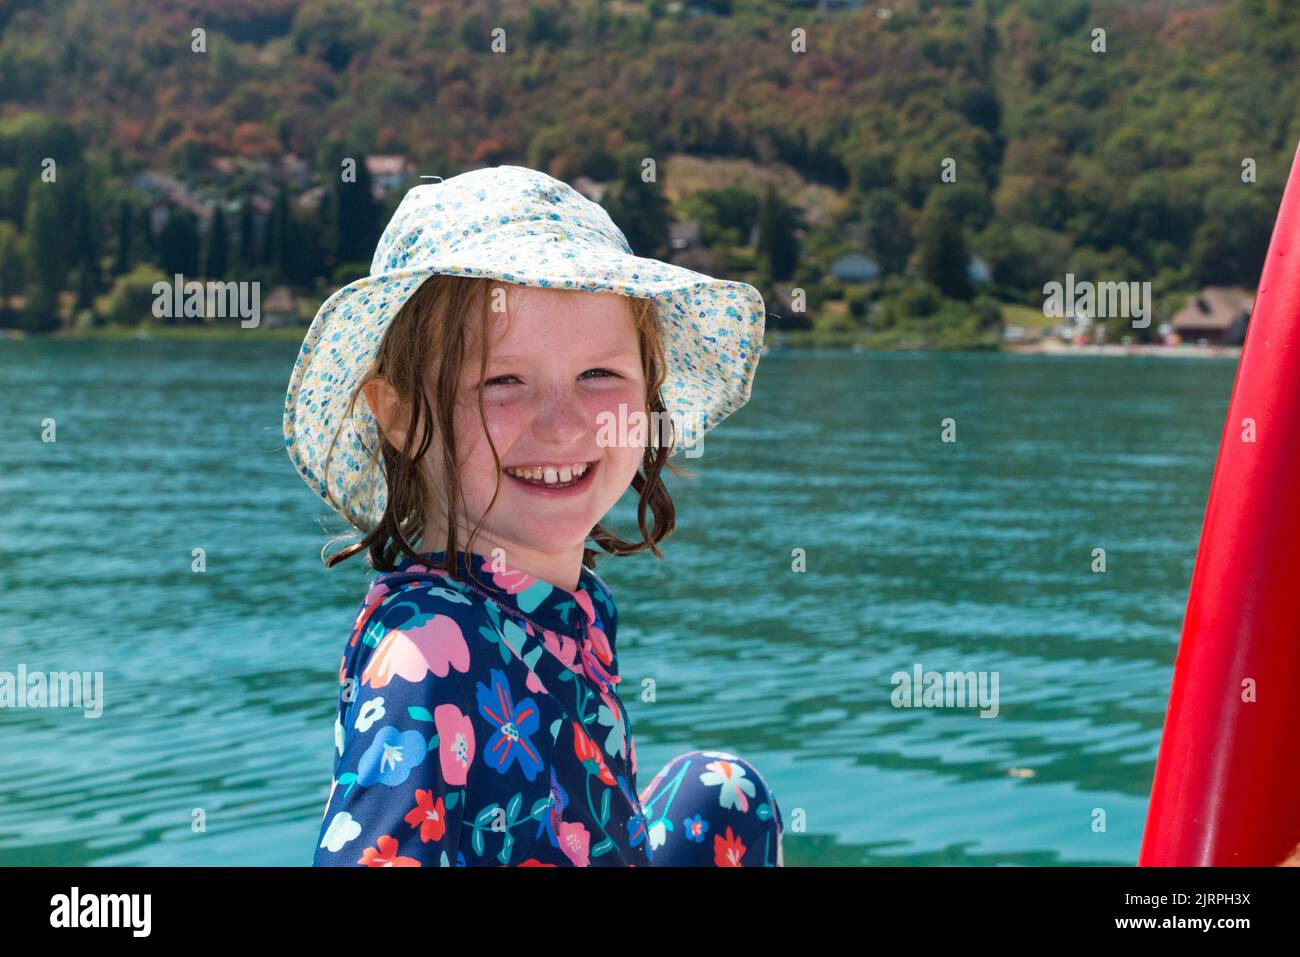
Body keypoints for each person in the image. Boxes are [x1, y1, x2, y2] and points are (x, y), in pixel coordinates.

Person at [283, 165, 783, 866]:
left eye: (599, 375)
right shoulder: (430, 652)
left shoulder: (567, 609)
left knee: (723, 793)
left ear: (648, 396)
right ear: (397, 414)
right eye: (502, 381)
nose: (561, 424)